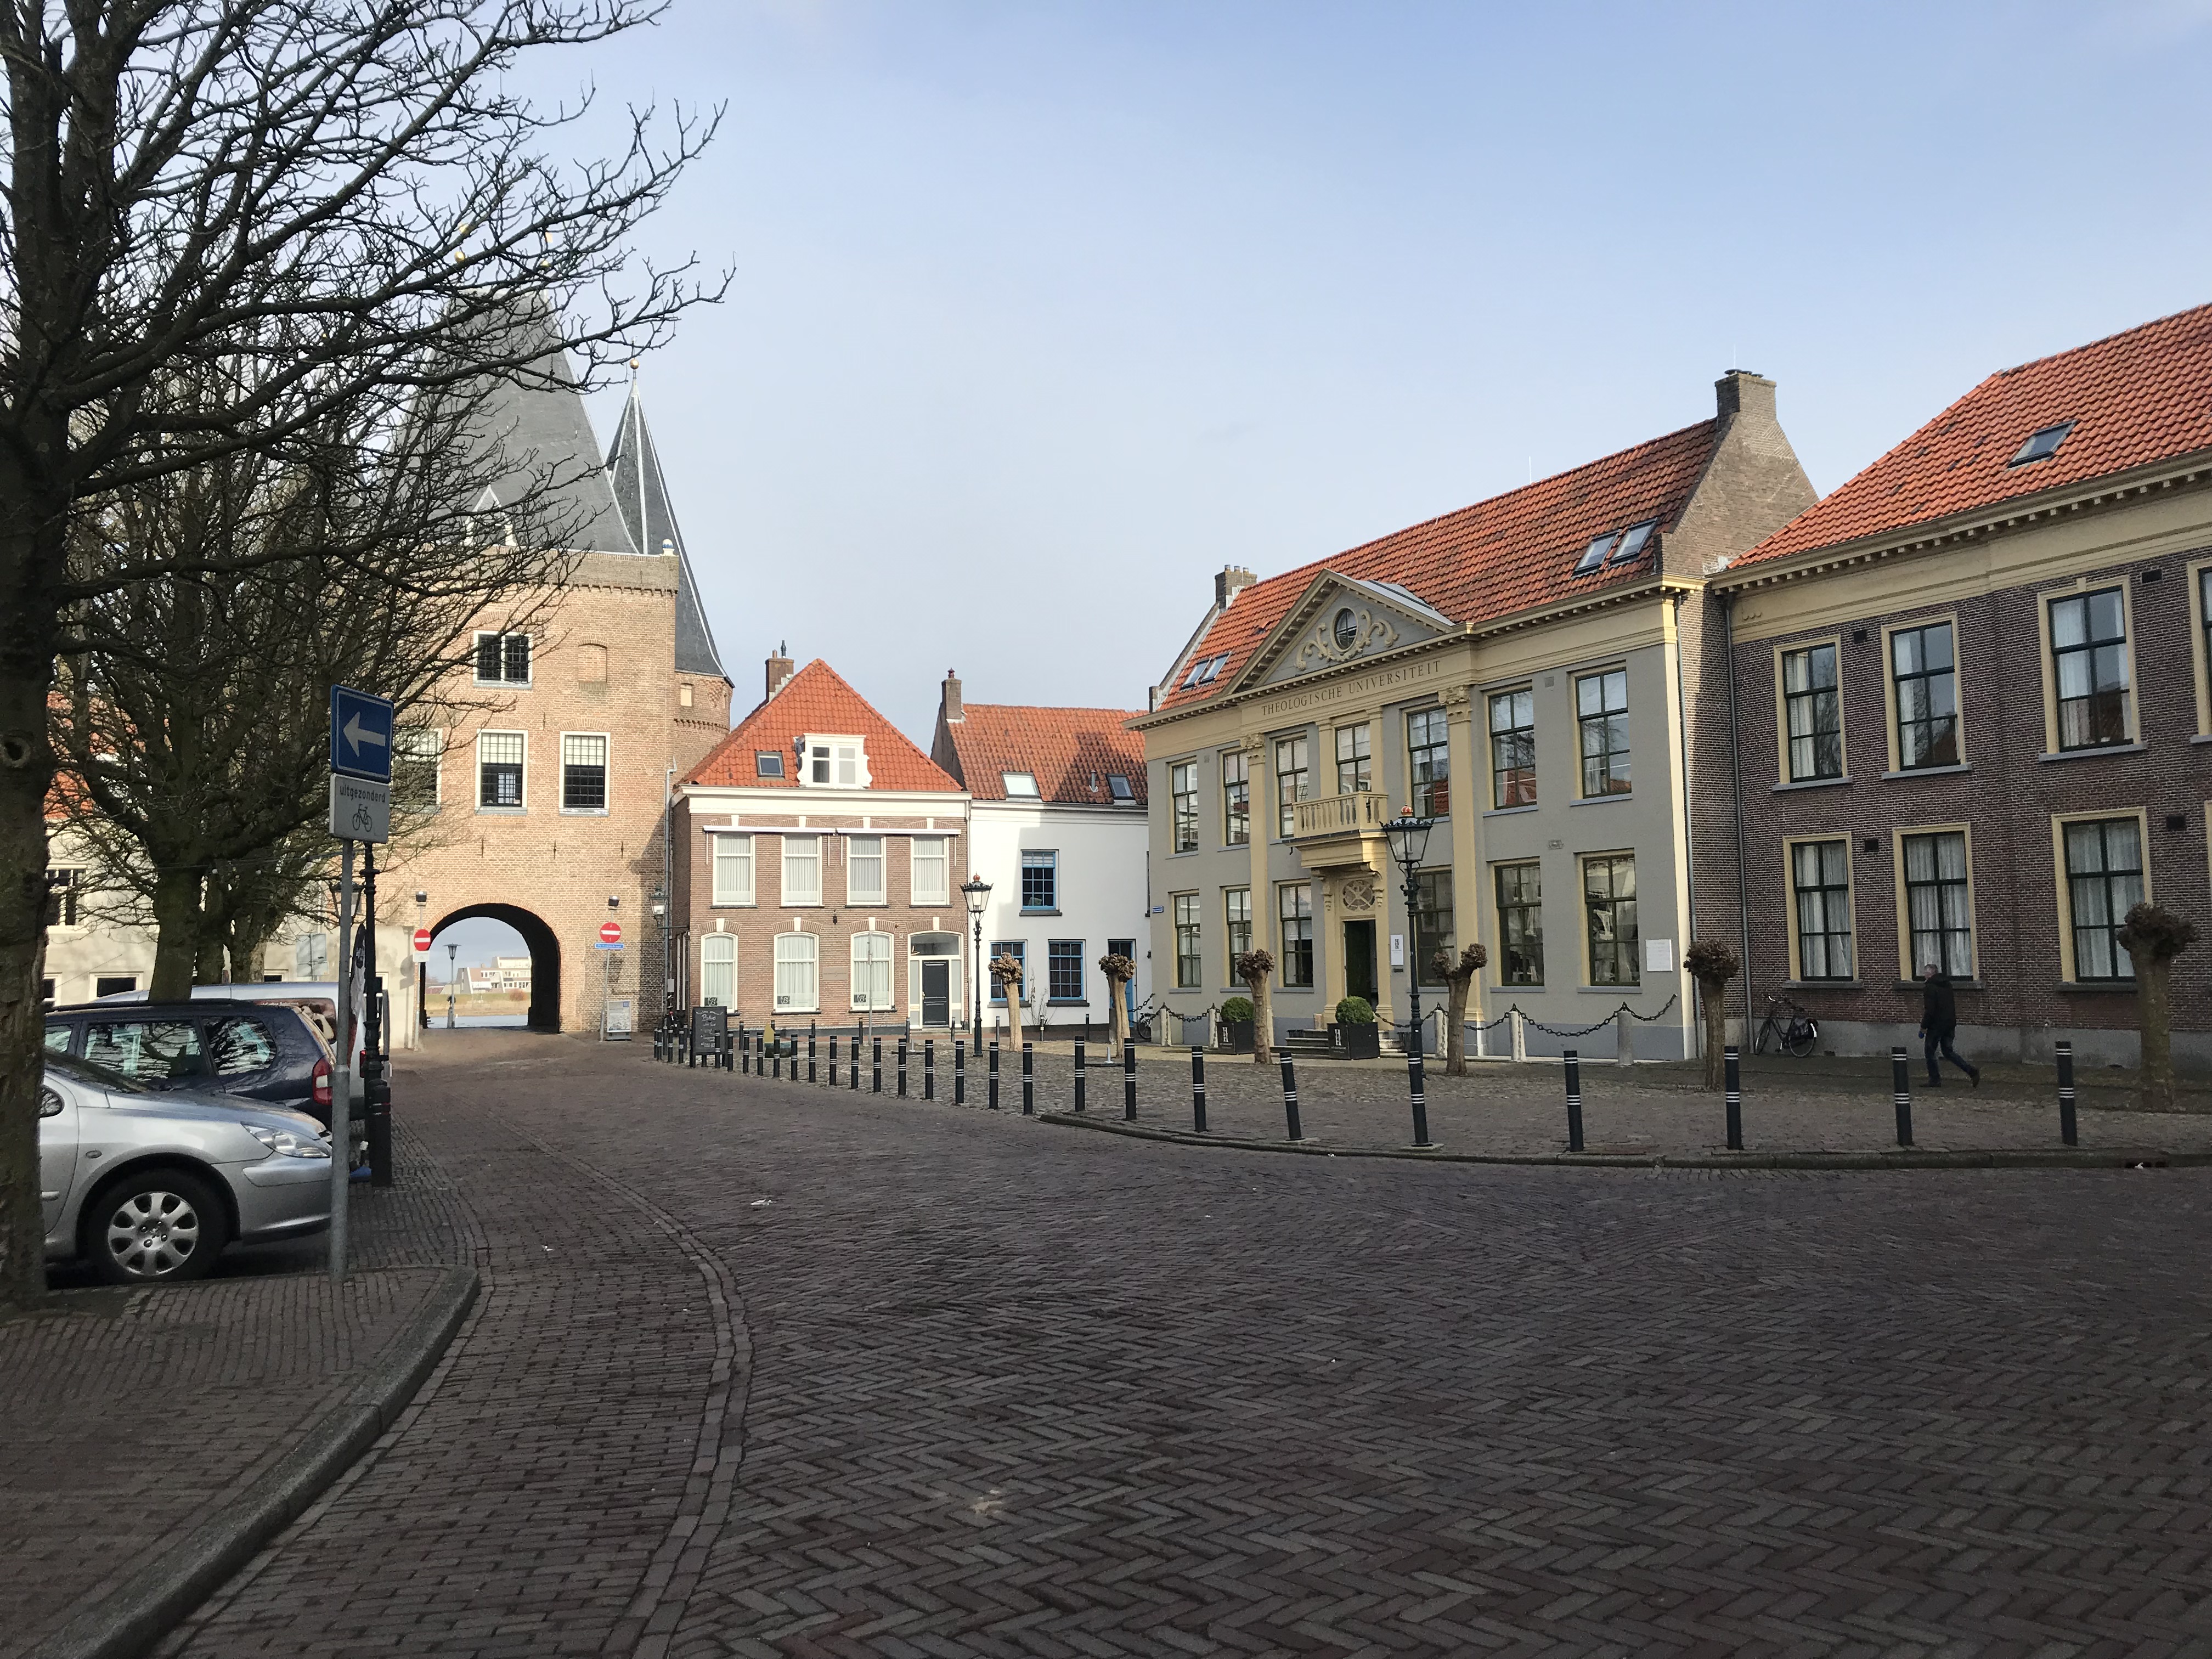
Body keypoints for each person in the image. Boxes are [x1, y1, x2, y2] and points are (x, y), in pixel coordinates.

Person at [1917, 962, 1979, 1087]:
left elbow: (1930, 1010)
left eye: (1925, 973)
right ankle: (1971, 1071)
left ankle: (1935, 1079)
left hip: (1936, 1026)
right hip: (1950, 1023)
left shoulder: (1930, 987)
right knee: (1948, 1051)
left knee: (1930, 1051)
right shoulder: (1947, 985)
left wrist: (1923, 1027)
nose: (1924, 976)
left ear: (1930, 974)